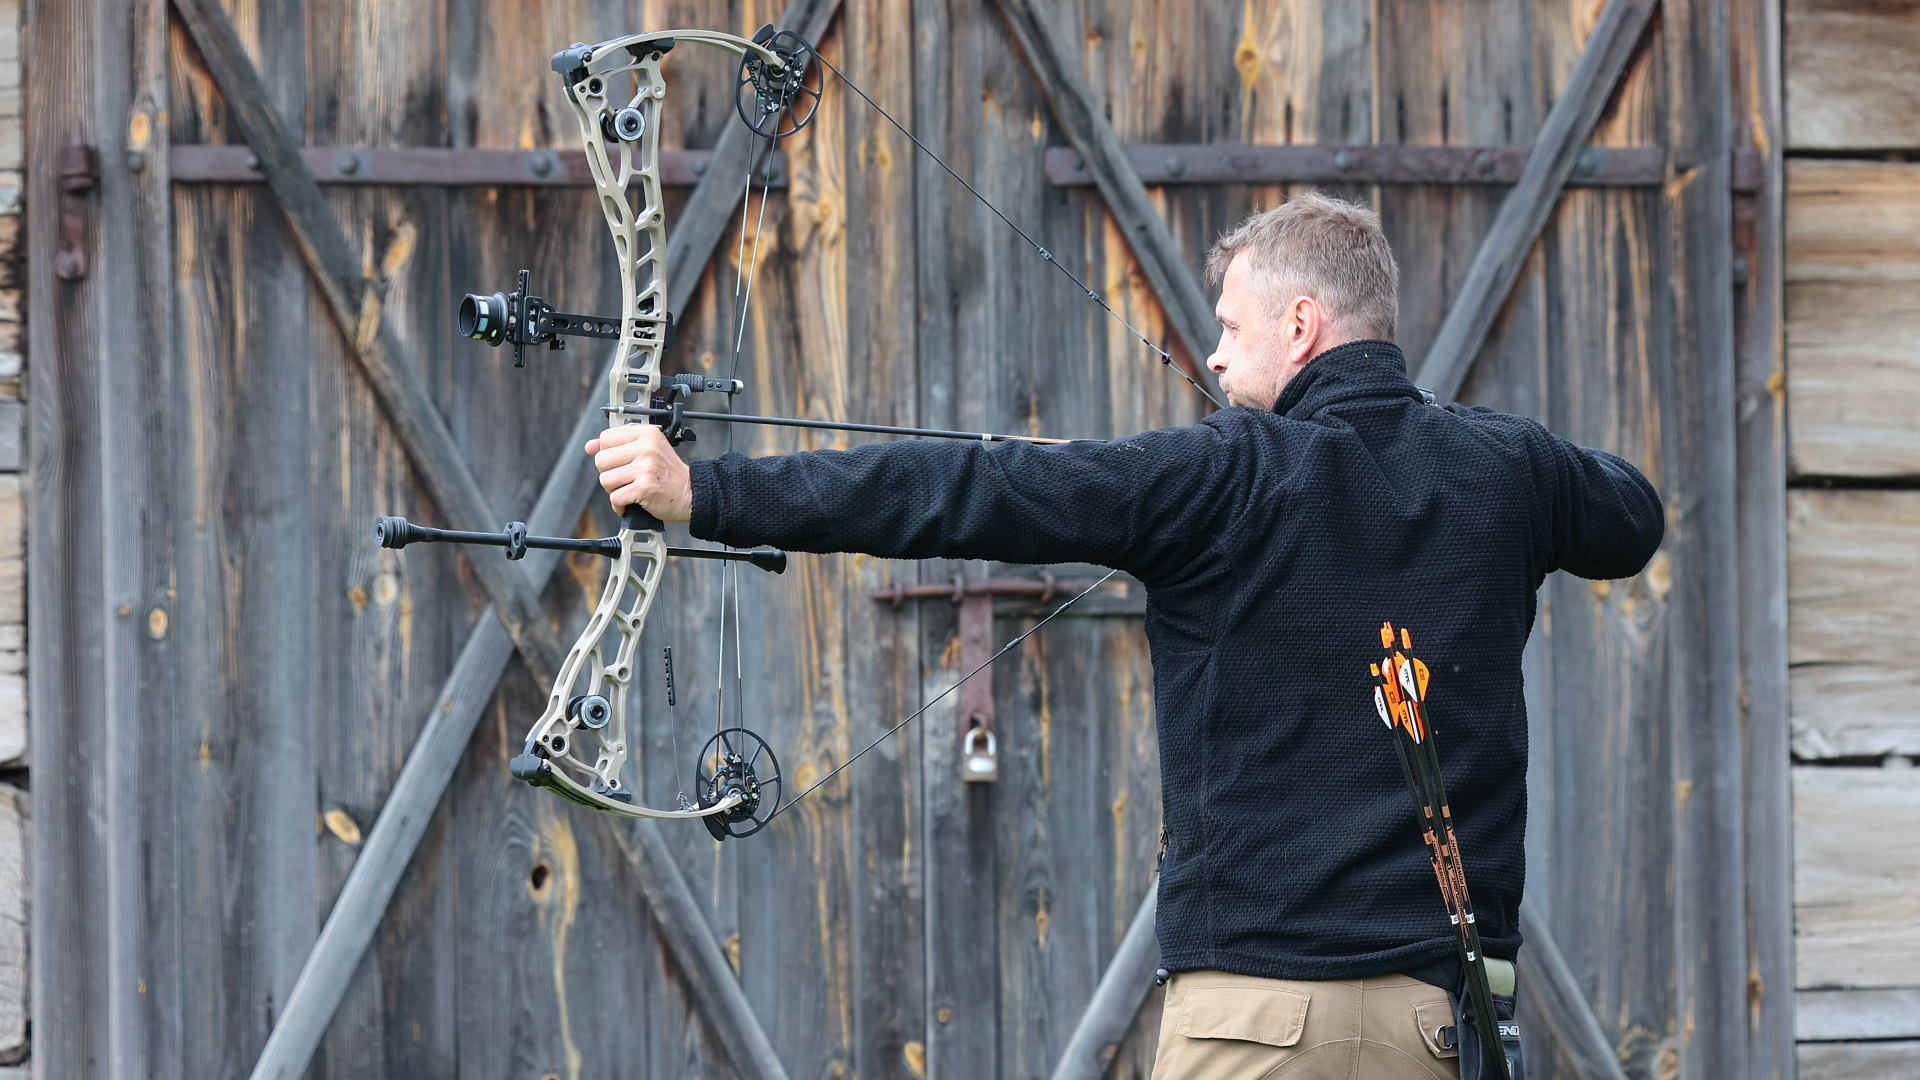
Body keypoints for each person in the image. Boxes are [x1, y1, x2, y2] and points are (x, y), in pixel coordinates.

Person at [587, 191, 1664, 1078]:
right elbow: (1631, 516)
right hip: (1434, 1030)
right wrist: (1468, 448)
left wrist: (709, 492)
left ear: (1301, 325)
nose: (1216, 358)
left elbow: (967, 488)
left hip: (1252, 1025)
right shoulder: (1506, 468)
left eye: (1232, 329)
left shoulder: (1224, 471)